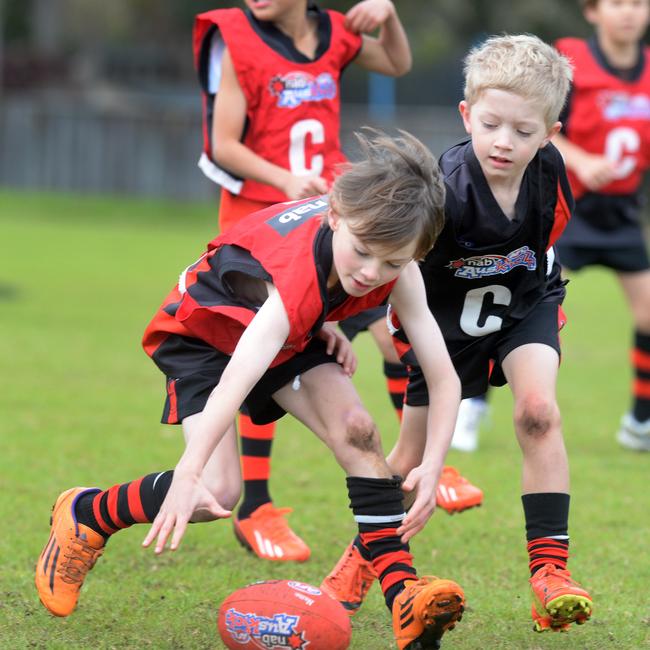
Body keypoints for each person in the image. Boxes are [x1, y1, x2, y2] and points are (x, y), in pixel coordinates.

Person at [35, 130, 467, 649]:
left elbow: (444, 377)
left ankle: (403, 596)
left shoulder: (394, 264)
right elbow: (235, 381)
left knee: (358, 430)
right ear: (336, 216)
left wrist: (434, 464)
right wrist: (188, 471)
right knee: (216, 492)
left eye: (393, 263)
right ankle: (86, 513)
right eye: (363, 254)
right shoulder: (298, 281)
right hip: (204, 331)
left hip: (281, 325)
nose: (372, 274)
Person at [321, 35, 595, 634]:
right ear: (467, 114)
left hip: (525, 306)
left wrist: (533, 304)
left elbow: (545, 247)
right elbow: (387, 265)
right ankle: (359, 558)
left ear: (551, 133)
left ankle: (551, 574)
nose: (505, 142)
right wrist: (329, 316)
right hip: (443, 328)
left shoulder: (551, 172)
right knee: (408, 457)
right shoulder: (443, 192)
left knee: (538, 412)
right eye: (492, 124)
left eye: (524, 132)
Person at [193, 0, 415, 561]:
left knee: (395, 335)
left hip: (335, 229)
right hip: (265, 228)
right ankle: (256, 507)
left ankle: (408, 464)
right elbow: (222, 144)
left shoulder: (334, 32)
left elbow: (396, 63)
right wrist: (284, 179)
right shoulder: (239, 40)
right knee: (269, 357)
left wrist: (388, 16)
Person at [554, 0, 650, 451]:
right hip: (569, 209)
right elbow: (543, 128)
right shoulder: (571, 61)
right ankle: (473, 405)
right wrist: (581, 159)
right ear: (592, 11)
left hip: (623, 214)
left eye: (638, 3)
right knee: (525, 306)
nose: (628, 12)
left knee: (649, 315)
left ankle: (640, 421)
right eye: (617, 3)